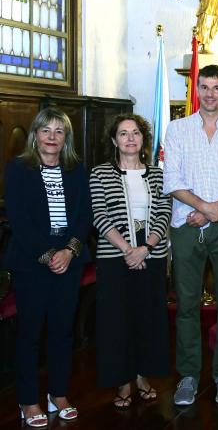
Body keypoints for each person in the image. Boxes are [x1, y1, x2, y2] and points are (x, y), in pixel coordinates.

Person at [163, 64, 218, 406]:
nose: (211, 93)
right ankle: (188, 375)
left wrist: (217, 209)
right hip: (186, 224)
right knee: (186, 304)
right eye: (205, 87)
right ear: (197, 89)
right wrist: (203, 208)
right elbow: (171, 179)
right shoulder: (177, 129)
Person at [4, 108, 91, 426]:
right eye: (46, 130)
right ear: (35, 134)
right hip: (31, 262)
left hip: (70, 260)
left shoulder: (76, 169)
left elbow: (84, 217)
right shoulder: (18, 168)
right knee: (30, 333)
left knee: (62, 331)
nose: (52, 137)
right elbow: (19, 219)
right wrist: (47, 253)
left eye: (59, 131)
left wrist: (69, 250)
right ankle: (28, 401)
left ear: (66, 137)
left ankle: (58, 393)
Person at [90, 114, 173, 408]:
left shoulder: (158, 174)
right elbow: (100, 216)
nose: (130, 138)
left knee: (147, 318)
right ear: (114, 140)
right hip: (115, 258)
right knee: (117, 321)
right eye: (123, 133)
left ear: (143, 139)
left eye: (135, 132)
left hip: (151, 257)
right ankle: (123, 380)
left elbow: (165, 213)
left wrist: (146, 248)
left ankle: (141, 375)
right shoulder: (100, 174)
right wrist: (129, 249)